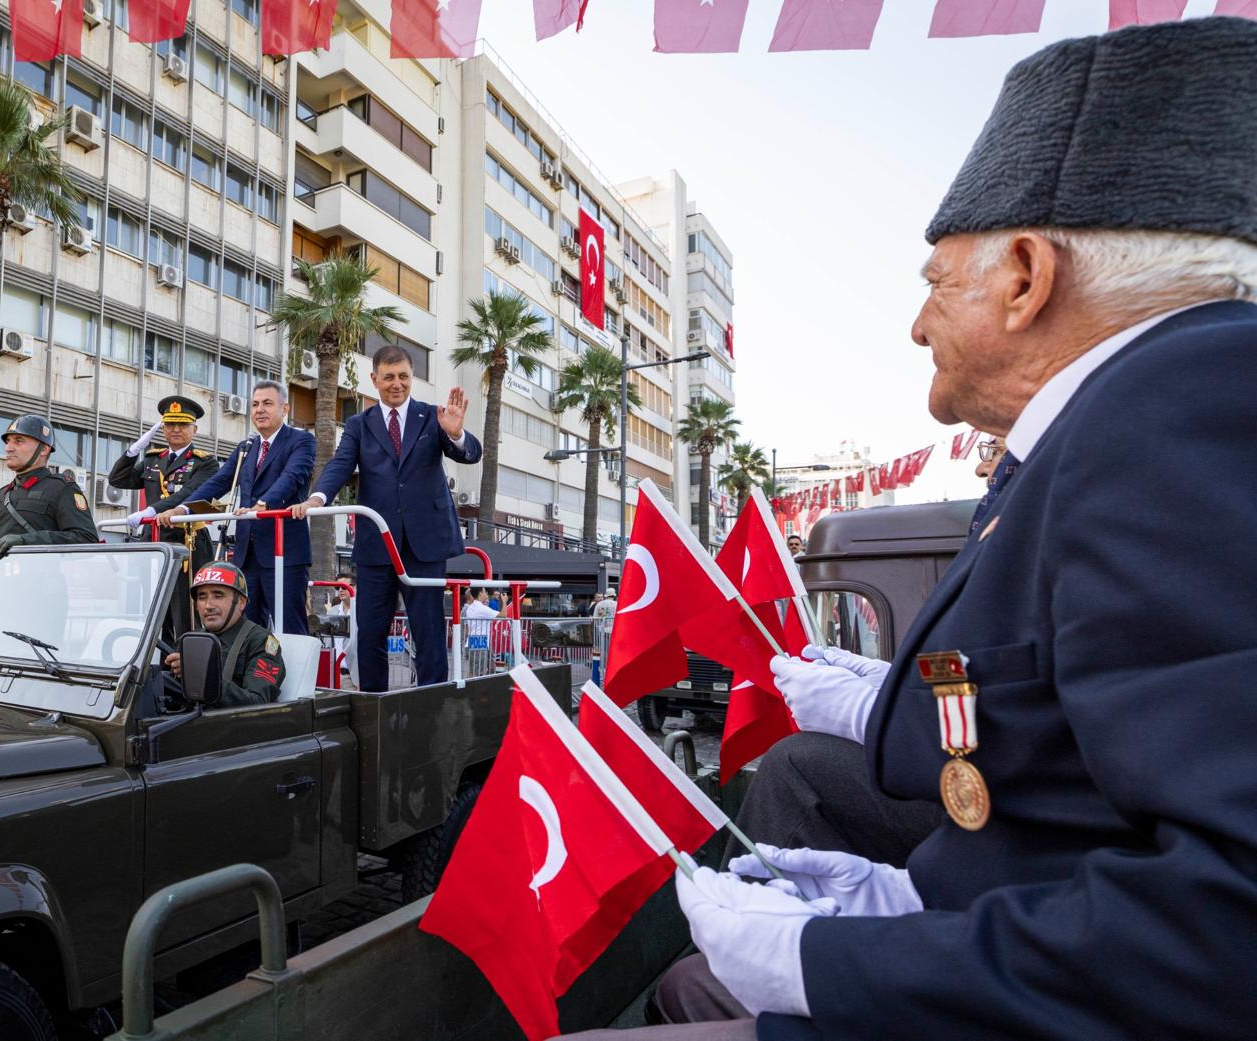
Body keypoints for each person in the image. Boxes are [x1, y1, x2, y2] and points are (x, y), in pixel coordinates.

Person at [562, 17, 1257, 1041]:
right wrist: (897, 891)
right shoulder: (1124, 416)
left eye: (936, 285)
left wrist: (836, 957)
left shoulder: (1178, 404)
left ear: (1024, 276)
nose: (917, 325)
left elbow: (1222, 928)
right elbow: (1071, 790)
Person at [292, 344, 482, 691]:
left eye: (404, 377)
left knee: (428, 631)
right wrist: (318, 497)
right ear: (374, 379)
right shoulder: (359, 424)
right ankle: (373, 704)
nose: (397, 384)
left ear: (412, 378)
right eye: (389, 377)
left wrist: (455, 433)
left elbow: (469, 454)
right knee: (370, 632)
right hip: (376, 545)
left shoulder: (432, 415)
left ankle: (431, 701)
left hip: (425, 544)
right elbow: (340, 464)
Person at [138, 381, 316, 637]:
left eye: (267, 403)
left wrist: (263, 504)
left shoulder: (300, 441)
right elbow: (219, 482)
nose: (260, 410)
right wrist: (183, 510)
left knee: (290, 628)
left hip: (284, 550)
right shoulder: (247, 448)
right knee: (245, 631)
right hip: (247, 553)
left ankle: (296, 679)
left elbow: (292, 477)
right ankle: (250, 677)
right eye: (255, 404)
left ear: (284, 408)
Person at [107, 395, 219, 638]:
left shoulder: (205, 463)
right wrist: (133, 450)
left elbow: (190, 494)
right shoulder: (152, 459)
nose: (176, 430)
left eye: (182, 425)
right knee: (157, 607)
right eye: (170, 425)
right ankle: (165, 666)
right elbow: (117, 479)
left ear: (194, 429)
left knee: (185, 609)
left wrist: (151, 511)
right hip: (154, 542)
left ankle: (187, 664)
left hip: (187, 542)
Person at [163, 563, 286, 707]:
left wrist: (202, 675)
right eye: (202, 597)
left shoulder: (260, 642)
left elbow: (256, 703)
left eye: (218, 596)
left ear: (241, 602)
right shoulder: (189, 640)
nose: (208, 605)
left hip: (227, 725)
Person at [0, 414, 99, 557]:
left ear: (44, 449)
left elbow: (87, 540)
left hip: (39, 578)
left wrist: (25, 541)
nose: (8, 448)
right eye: (8, 441)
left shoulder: (62, 489)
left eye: (19, 441)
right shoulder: (0, 496)